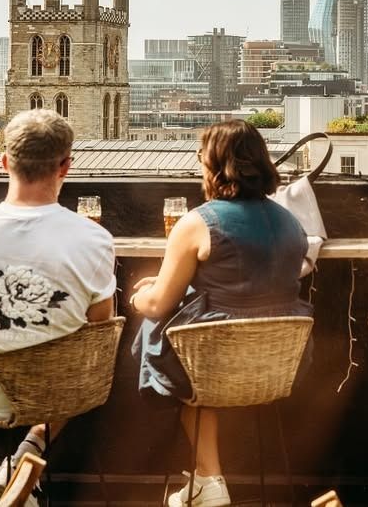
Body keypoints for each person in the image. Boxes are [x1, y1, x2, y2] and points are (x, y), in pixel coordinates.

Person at [0, 109, 116, 507]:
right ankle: (27, 456)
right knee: (75, 365)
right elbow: (99, 330)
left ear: (4, 163)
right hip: (58, 393)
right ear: (65, 165)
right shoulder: (94, 239)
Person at [132, 119, 312, 507]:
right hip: (275, 367)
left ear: (214, 165)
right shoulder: (293, 224)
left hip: (214, 364)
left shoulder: (198, 223)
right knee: (204, 355)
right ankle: (206, 481)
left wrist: (138, 297)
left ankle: (211, 480)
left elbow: (160, 303)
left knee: (183, 354)